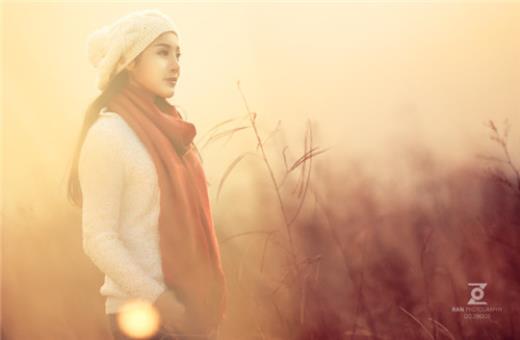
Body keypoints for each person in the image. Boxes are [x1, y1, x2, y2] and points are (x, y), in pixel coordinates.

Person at [67, 9, 227, 340]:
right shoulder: (108, 135)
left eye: (178, 54)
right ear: (129, 62)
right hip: (140, 317)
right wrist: (158, 299)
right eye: (162, 52)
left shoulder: (173, 131)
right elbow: (98, 238)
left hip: (186, 313)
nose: (175, 64)